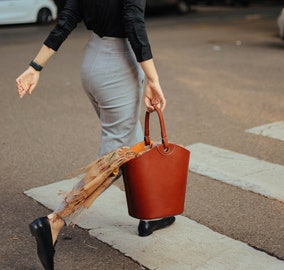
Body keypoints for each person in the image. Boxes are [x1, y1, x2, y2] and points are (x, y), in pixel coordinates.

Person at [16, 1, 175, 269]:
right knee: (112, 158)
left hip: (93, 62)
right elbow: (134, 24)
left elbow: (66, 20)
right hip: (118, 68)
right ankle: (55, 221)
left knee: (134, 142)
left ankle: (151, 213)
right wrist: (153, 79)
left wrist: (35, 66)